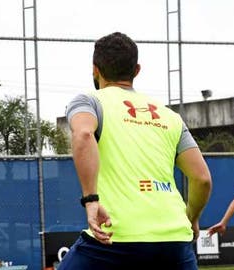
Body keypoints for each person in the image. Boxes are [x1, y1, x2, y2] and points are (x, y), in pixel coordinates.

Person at [58, 32, 212, 270]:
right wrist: (191, 219)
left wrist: (91, 200)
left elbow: (84, 134)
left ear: (95, 69)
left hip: (114, 239)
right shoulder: (170, 116)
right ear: (137, 70)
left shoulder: (89, 101)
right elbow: (202, 179)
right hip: (175, 243)